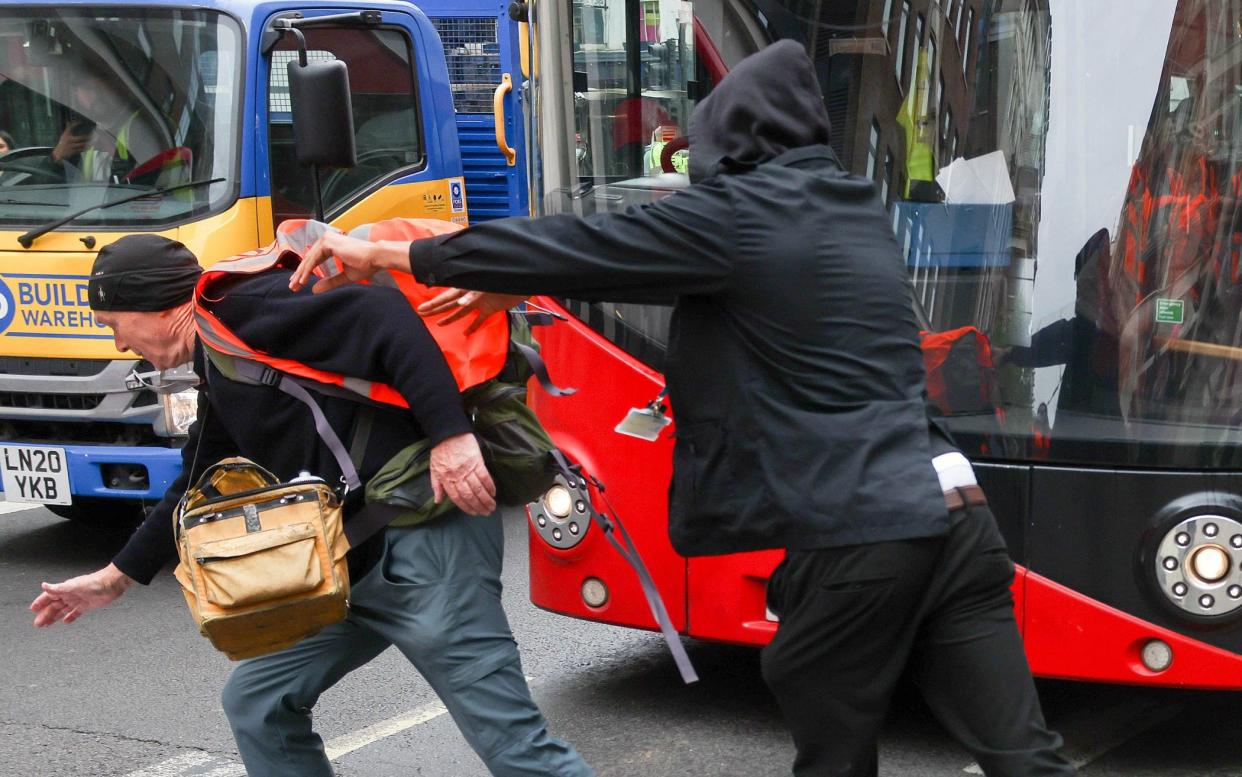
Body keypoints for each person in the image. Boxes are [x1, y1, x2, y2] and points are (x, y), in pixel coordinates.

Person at [291, 42, 1076, 777]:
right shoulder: (849, 207)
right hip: (957, 515)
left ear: (730, 137)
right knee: (1022, 754)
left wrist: (386, 252)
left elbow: (586, 244)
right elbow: (691, 285)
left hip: (865, 527)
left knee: (813, 690)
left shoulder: (738, 215)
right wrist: (525, 280)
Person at [29, 234, 593, 777]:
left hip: (426, 543)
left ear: (151, 304)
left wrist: (450, 436)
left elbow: (382, 317)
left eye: (114, 325)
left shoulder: (245, 308)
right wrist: (115, 577)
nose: (119, 344)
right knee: (257, 702)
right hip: (350, 562)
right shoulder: (222, 354)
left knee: (514, 747)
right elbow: (198, 477)